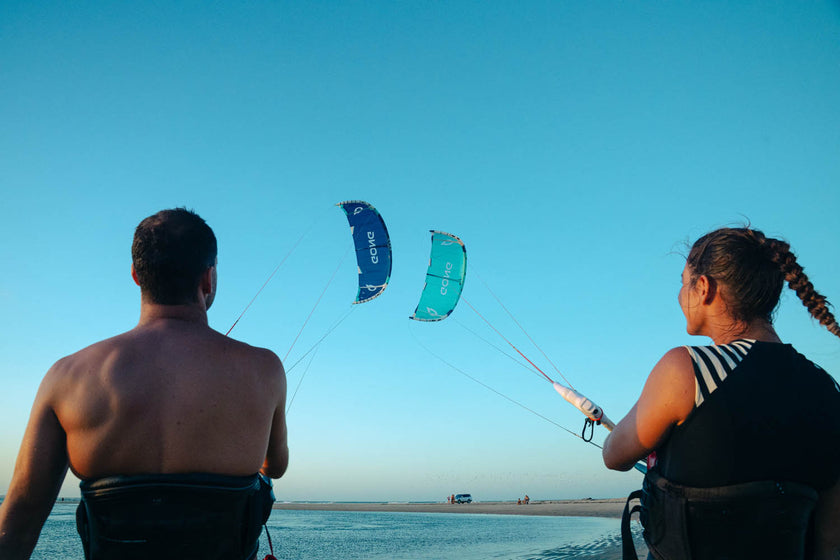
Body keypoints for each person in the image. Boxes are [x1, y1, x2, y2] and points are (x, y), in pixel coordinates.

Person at [0, 208, 289, 560]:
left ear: (137, 275)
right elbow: (274, 467)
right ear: (208, 278)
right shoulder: (265, 368)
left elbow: (21, 517)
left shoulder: (66, 376)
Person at [602, 227, 840, 560]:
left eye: (684, 283)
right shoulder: (827, 389)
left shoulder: (687, 368)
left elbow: (614, 455)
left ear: (703, 288)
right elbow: (829, 541)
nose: (680, 295)